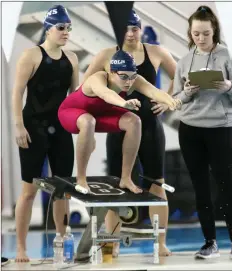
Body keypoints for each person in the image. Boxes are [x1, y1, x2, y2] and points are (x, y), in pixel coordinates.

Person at [83, 10, 177, 257]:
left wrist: (168, 101)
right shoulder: (106, 55)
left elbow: (181, 76)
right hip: (119, 129)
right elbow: (86, 86)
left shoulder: (155, 52)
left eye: (135, 28)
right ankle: (112, 242)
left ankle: (161, 241)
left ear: (140, 28)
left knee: (157, 183)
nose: (131, 33)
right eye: (126, 28)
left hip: (150, 129)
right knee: (116, 186)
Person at [172, 5, 232, 260]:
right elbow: (176, 98)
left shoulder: (229, 58)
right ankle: (209, 242)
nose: (200, 38)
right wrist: (188, 91)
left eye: (205, 34)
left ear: (214, 31)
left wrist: (229, 85)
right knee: (200, 186)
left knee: (227, 185)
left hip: (219, 129)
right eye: (196, 33)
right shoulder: (185, 61)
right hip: (190, 130)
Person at [58, 50, 181, 195]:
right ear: (111, 72)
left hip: (100, 115)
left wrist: (170, 101)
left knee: (134, 121)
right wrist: (123, 103)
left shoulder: (133, 79)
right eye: (123, 77)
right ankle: (81, 179)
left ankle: (126, 178)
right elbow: (106, 94)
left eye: (132, 77)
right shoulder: (97, 78)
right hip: (71, 112)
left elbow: (154, 92)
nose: (129, 82)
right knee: (88, 121)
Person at [12, 5, 79, 262]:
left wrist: (82, 129)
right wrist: (19, 125)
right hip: (33, 129)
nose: (66, 32)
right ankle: (21, 247)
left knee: (62, 189)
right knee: (29, 190)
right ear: (48, 29)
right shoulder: (30, 55)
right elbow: (17, 92)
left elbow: (74, 98)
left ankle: (62, 242)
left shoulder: (72, 58)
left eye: (68, 28)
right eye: (61, 28)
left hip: (60, 129)